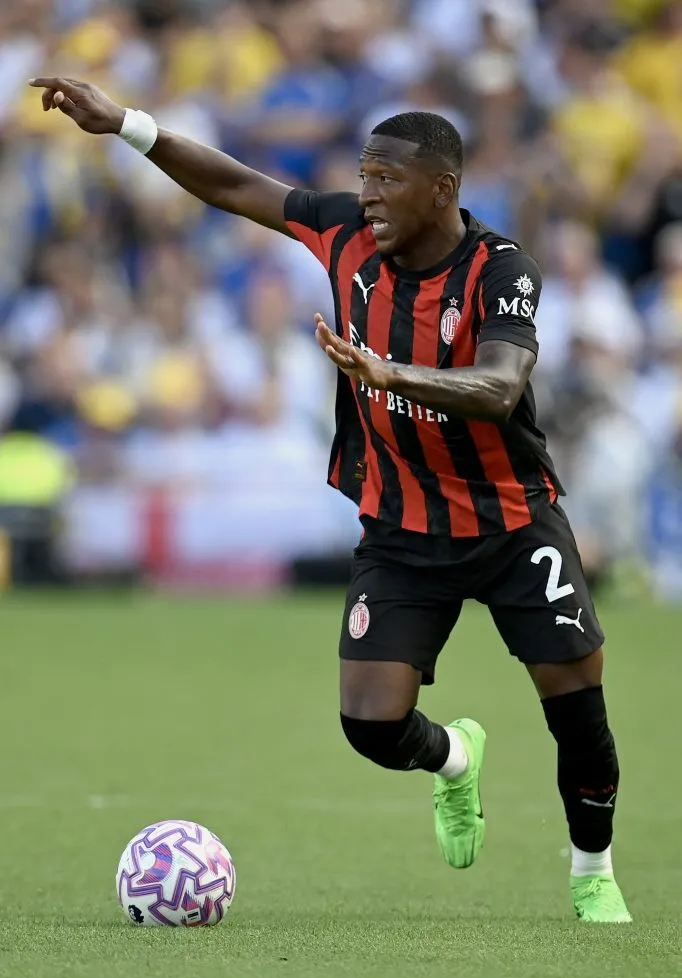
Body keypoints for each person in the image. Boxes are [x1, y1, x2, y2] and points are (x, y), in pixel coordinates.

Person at [29, 76, 630, 923]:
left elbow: (499, 388)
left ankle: (592, 871)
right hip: (401, 526)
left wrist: (391, 375)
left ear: (442, 189)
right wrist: (126, 124)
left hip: (511, 520)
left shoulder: (501, 271)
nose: (368, 193)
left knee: (576, 711)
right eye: (364, 176)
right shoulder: (344, 233)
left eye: (387, 179)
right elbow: (235, 185)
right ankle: (456, 760)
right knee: (371, 724)